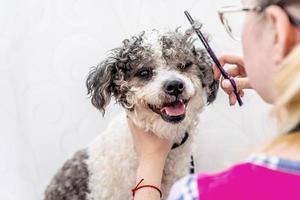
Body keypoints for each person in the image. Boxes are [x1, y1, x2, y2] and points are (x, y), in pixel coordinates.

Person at [127, 0, 300, 199]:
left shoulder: (200, 193)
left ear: (277, 32)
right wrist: (281, 84)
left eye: (243, 13)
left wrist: (150, 163)